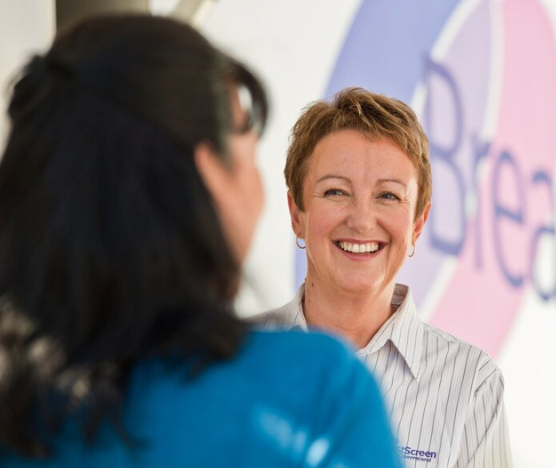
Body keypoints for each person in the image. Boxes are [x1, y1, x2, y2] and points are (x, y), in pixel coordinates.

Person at [0, 16, 401, 467]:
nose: (362, 219)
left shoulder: (22, 416)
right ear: (210, 177)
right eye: (250, 154)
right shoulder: (317, 395)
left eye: (388, 195)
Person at [254, 87, 513, 468]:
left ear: (418, 225)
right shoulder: (230, 355)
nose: (360, 220)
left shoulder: (471, 384)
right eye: (335, 191)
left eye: (388, 196)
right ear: (297, 213)